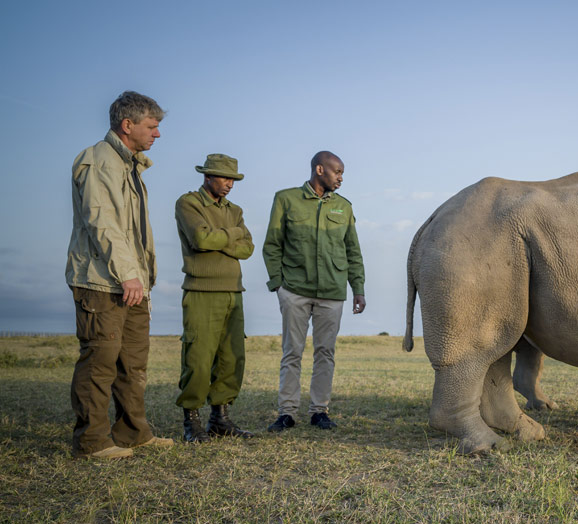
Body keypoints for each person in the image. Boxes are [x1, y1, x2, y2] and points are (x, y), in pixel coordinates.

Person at [65, 91, 174, 459]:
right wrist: (129, 275)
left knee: (133, 363)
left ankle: (132, 432)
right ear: (128, 125)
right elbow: (103, 222)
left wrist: (142, 279)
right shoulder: (98, 161)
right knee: (100, 361)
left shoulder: (130, 165)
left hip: (132, 283)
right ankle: (92, 441)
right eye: (152, 126)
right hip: (103, 282)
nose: (157, 134)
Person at [262, 151, 365, 432]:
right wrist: (278, 285)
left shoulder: (344, 207)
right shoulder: (286, 199)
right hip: (294, 290)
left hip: (332, 292)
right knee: (291, 352)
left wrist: (358, 288)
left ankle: (319, 411)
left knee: (325, 353)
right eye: (337, 172)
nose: (341, 178)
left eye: (342, 173)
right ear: (320, 170)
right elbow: (272, 244)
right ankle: (287, 413)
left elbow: (353, 250)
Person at [174, 154, 256, 442]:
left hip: (234, 290)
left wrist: (220, 240)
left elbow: (248, 249)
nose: (229, 184)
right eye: (224, 178)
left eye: (233, 179)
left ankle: (220, 419)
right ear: (207, 176)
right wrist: (232, 235)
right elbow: (201, 240)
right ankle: (191, 423)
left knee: (232, 358)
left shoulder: (235, 209)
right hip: (201, 291)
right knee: (198, 357)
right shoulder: (189, 203)